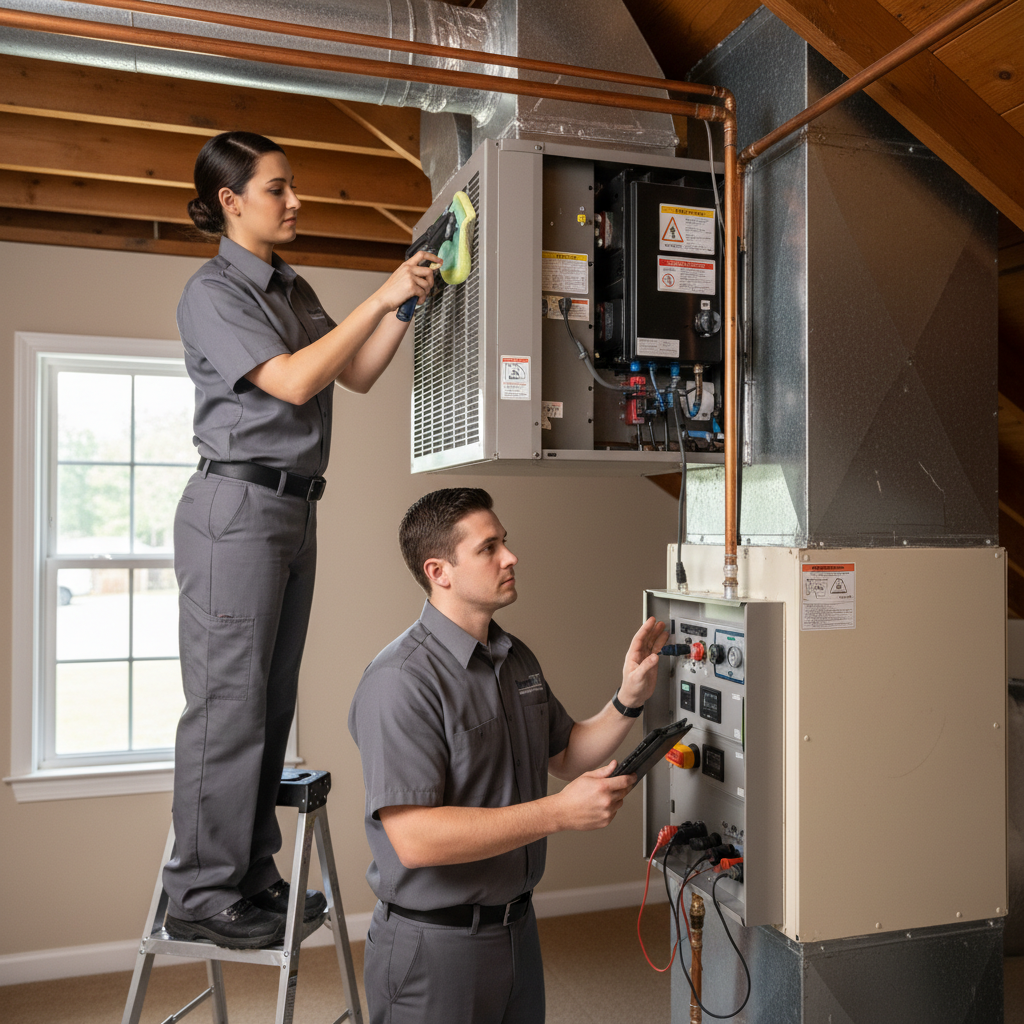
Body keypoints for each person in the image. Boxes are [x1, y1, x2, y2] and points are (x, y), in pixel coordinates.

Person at [162, 130, 438, 949]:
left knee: (270, 704)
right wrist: (377, 293)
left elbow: (354, 372)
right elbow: (293, 380)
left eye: (293, 187)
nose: (295, 201)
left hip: (291, 509)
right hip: (235, 511)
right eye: (278, 188)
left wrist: (405, 300)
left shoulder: (289, 285)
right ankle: (200, 892)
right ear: (231, 201)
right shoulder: (211, 291)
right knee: (228, 707)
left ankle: (249, 876)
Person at [348, 487, 668, 1023]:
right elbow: (414, 839)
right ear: (439, 571)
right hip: (436, 945)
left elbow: (565, 754)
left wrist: (627, 700)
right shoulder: (399, 681)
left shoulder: (514, 656)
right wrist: (560, 813)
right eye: (489, 547)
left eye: (506, 542)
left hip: (517, 931)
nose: (510, 557)